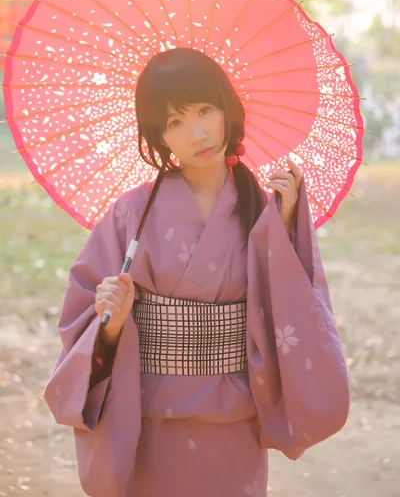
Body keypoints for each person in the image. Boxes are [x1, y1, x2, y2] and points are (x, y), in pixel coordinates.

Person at [44, 48, 350, 497]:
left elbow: (292, 311)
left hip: (234, 415)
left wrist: (283, 227)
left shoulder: (263, 209)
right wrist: (109, 325)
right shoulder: (130, 214)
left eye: (205, 109)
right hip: (149, 415)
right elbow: (82, 321)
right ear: (159, 136)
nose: (197, 132)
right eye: (174, 122)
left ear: (227, 107)